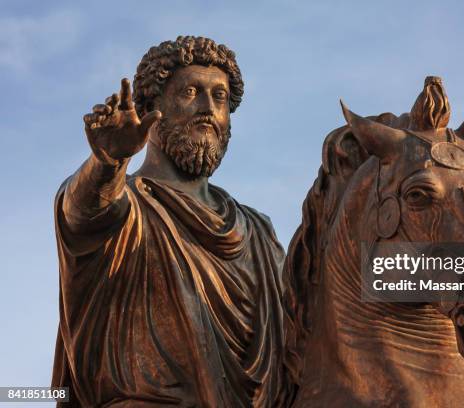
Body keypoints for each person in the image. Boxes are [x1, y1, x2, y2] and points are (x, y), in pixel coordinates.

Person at [52, 36, 288, 407]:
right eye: (190, 91)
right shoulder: (127, 207)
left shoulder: (258, 233)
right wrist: (106, 162)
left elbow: (313, 323)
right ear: (151, 108)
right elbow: (81, 214)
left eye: (220, 96)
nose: (208, 108)